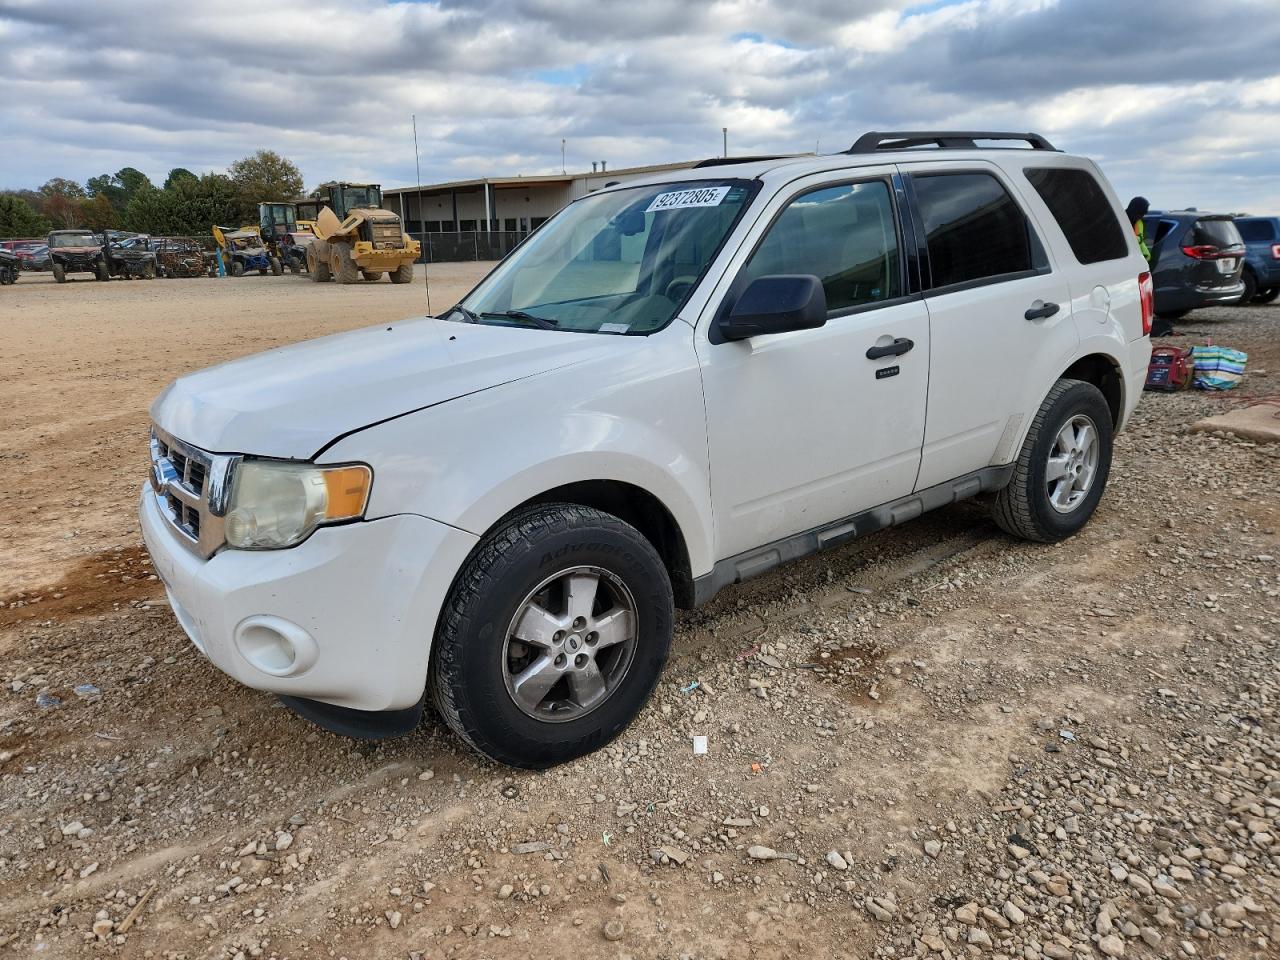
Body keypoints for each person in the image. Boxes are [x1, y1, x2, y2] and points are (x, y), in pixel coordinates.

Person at [1126, 196, 1153, 265]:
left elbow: (1141, 242)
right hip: (1127, 260)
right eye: (1141, 213)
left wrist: (1145, 255)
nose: (1142, 216)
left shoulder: (1139, 223)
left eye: (1144, 214)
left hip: (1141, 260)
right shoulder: (1122, 221)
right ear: (1134, 210)